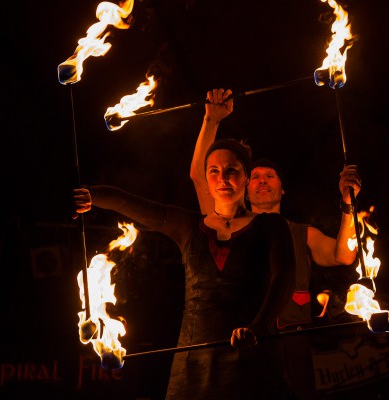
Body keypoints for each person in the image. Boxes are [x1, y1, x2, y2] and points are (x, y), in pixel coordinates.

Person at [72, 138, 297, 399]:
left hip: (255, 357)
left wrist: (257, 327)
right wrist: (93, 195)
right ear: (207, 180)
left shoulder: (272, 226)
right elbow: (133, 204)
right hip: (194, 364)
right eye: (214, 171)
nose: (222, 178)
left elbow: (285, 278)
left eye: (231, 170)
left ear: (246, 177)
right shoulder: (188, 226)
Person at [189, 88, 362, 399]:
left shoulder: (299, 232)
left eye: (270, 176)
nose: (262, 180)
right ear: (242, 184)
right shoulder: (223, 222)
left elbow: (343, 255)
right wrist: (211, 121)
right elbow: (200, 176)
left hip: (289, 340)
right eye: (254, 176)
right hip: (238, 337)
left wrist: (348, 205)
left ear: (283, 189)